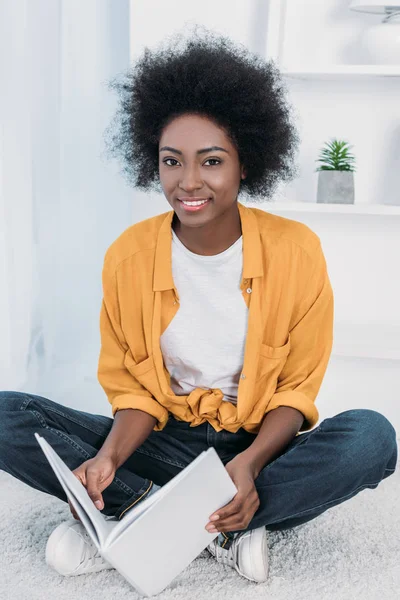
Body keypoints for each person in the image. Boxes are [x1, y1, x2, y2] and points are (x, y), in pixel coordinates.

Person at [0, 25, 397, 585]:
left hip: (254, 443)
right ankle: (202, 525)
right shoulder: (129, 256)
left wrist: (249, 465)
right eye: (171, 161)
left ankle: (128, 518)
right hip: (160, 439)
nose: (189, 181)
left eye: (211, 161)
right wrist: (110, 458)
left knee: (372, 438)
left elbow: (294, 390)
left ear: (245, 163)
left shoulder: (295, 250)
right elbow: (136, 390)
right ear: (153, 162)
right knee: (6, 414)